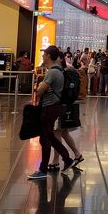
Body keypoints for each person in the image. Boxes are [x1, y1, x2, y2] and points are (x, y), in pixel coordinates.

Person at [28, 46, 74, 180]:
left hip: (49, 107)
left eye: (44, 54)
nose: (43, 56)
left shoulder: (52, 72)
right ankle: (67, 159)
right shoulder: (58, 70)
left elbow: (40, 90)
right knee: (48, 137)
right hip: (53, 107)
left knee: (46, 138)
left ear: (49, 56)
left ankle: (43, 170)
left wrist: (38, 86)